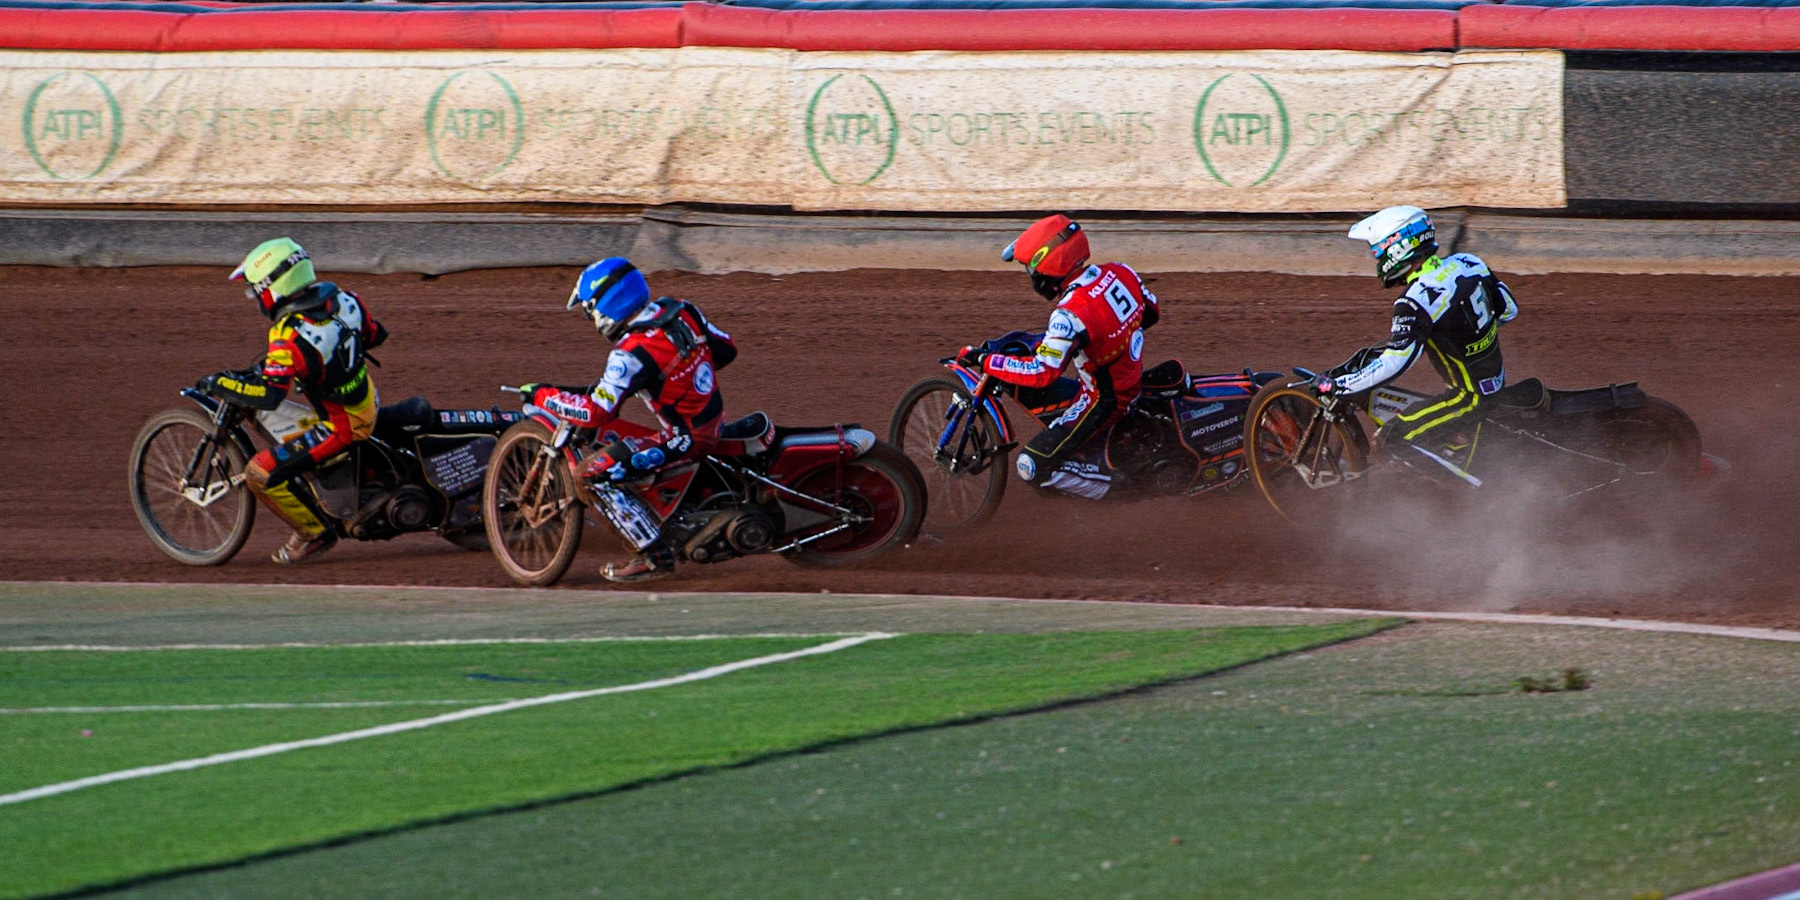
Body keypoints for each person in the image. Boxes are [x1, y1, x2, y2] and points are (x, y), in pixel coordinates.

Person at [524, 257, 737, 582]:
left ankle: (651, 556)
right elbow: (726, 350)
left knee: (589, 475)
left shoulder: (630, 353)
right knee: (623, 438)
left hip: (688, 438)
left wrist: (543, 396)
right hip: (716, 419)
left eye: (589, 310)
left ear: (605, 305)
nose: (590, 317)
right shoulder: (682, 310)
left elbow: (596, 412)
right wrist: (682, 372)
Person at [209, 237, 387, 564]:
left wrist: (219, 383)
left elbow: (269, 394)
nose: (255, 298)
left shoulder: (287, 335)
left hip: (340, 427)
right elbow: (376, 335)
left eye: (254, 290)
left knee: (258, 473)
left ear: (271, 289)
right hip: (367, 401)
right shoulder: (347, 299)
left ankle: (314, 532)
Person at [960, 214, 1159, 500]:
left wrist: (986, 361)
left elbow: (1043, 373)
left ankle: (1121, 486)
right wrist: (1108, 337)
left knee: (1031, 466)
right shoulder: (1119, 271)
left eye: (1031, 268)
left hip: (1105, 402)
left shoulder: (1069, 313)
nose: (1031, 275)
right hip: (1129, 375)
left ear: (1048, 268)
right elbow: (1151, 313)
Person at [1325, 205, 1520, 480]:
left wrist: (1340, 385)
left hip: (1468, 397)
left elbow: (1395, 363)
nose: (1377, 260)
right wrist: (1471, 334)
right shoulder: (1467, 262)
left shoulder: (1415, 300)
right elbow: (1509, 309)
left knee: (1392, 438)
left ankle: (1474, 493)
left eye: (1378, 252)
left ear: (1397, 248)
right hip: (1495, 380)